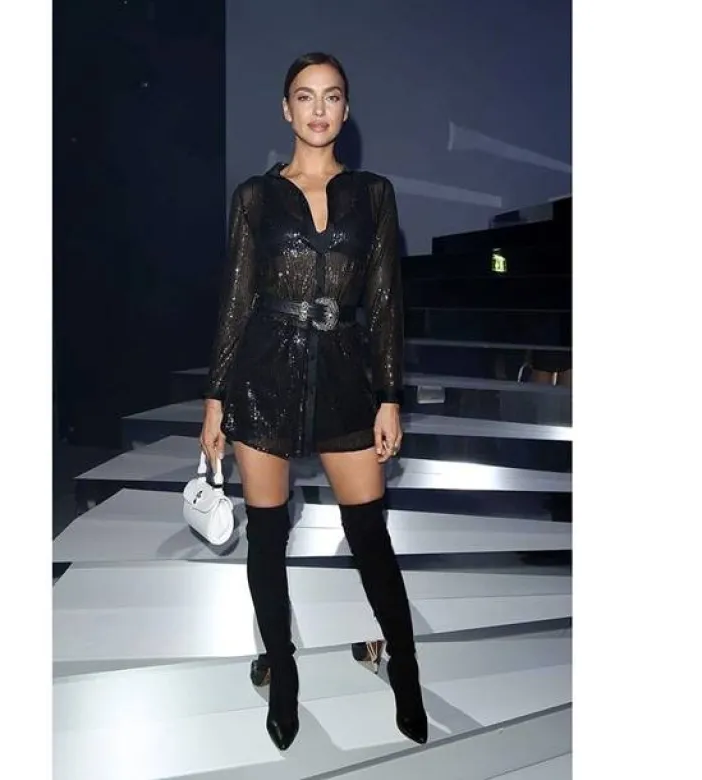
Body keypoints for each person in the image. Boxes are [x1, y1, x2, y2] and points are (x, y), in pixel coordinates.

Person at [200, 52, 428, 751]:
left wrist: (389, 396)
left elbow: (385, 302)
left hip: (346, 374)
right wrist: (215, 398)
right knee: (267, 535)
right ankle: (284, 672)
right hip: (263, 373)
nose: (319, 109)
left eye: (331, 97)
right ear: (286, 109)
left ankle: (406, 665)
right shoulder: (255, 197)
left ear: (346, 110)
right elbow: (236, 300)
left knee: (369, 534)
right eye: (305, 97)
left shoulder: (374, 194)